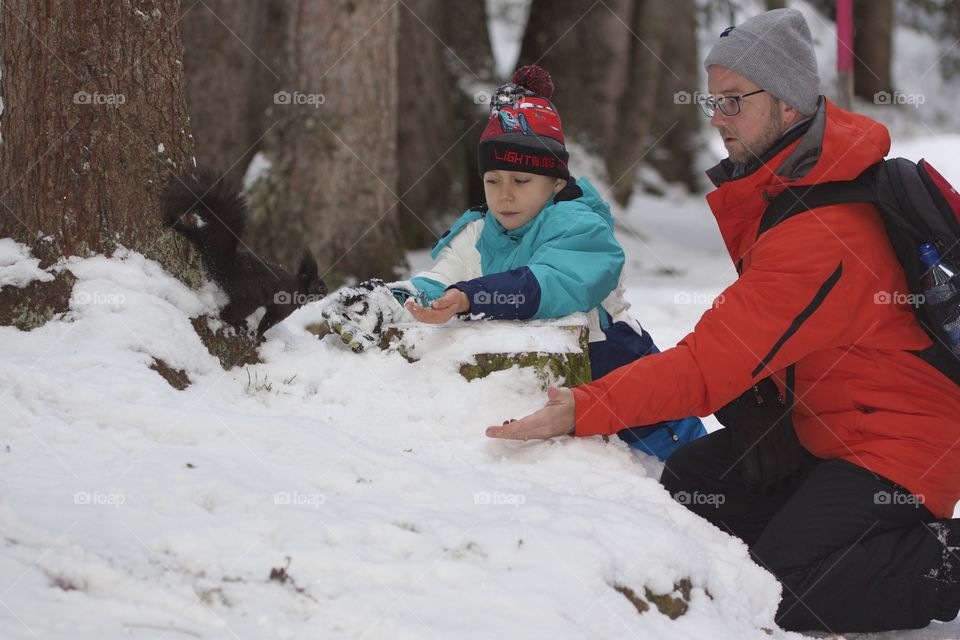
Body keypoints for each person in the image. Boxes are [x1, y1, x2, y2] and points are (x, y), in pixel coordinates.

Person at [485, 9, 960, 633]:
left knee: (783, 593)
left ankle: (942, 560)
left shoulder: (825, 229)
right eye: (714, 98)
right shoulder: (790, 187)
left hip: (903, 448)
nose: (715, 116)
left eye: (734, 100)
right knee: (691, 484)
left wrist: (582, 406)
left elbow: (712, 363)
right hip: (828, 427)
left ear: (789, 105)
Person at [320, 64, 704, 461]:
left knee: (683, 487)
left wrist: (472, 297)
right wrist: (394, 300)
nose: (504, 196)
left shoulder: (579, 226)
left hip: (639, 407)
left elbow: (553, 284)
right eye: (493, 180)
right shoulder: (479, 231)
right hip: (553, 405)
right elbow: (440, 281)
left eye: (521, 182)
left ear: (556, 183)